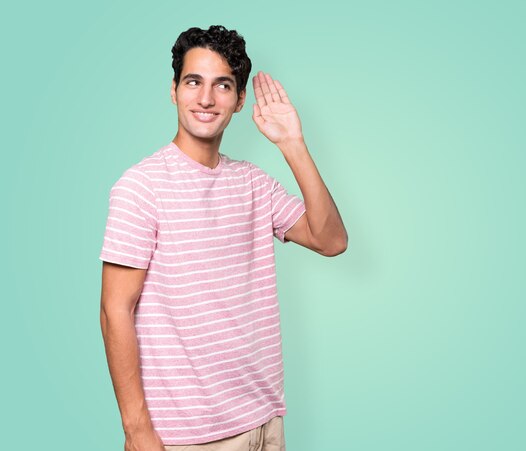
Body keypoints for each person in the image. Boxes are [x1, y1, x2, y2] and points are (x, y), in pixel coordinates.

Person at [99, 25, 347, 451]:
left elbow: (331, 240)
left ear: (239, 100)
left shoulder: (253, 183)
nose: (207, 98)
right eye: (193, 81)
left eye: (223, 85)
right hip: (189, 436)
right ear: (173, 90)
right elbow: (114, 310)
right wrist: (136, 429)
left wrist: (293, 145)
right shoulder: (141, 186)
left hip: (264, 422)